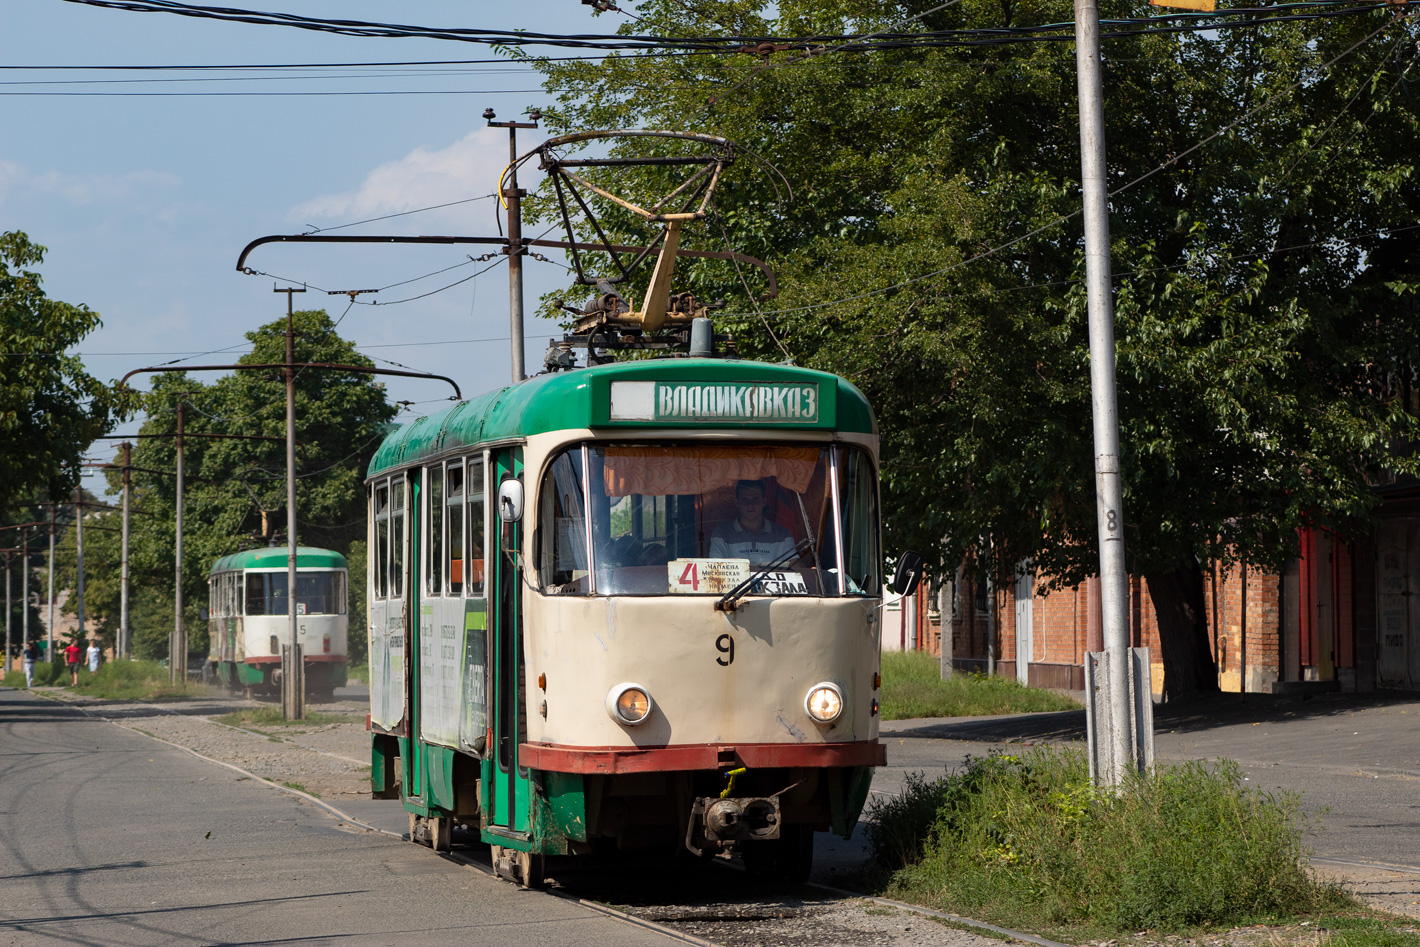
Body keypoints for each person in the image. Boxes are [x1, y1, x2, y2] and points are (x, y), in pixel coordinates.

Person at [708, 479, 799, 565]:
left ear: (764, 501)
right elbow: (716, 568)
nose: (750, 504)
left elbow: (795, 565)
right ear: (737, 503)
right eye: (745, 499)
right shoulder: (722, 533)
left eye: (755, 499)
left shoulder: (783, 534)